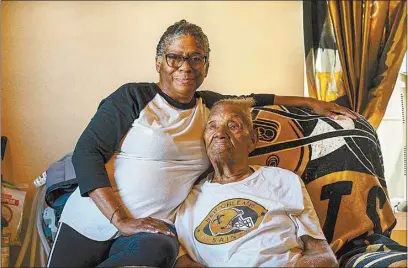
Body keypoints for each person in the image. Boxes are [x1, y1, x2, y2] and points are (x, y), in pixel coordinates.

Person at [47, 19, 354, 267]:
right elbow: (86, 154)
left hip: (153, 230)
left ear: (207, 65)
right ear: (158, 62)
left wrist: (310, 102)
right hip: (93, 217)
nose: (186, 66)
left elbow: (254, 99)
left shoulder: (210, 108)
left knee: (158, 252)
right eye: (174, 57)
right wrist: (122, 219)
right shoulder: (133, 97)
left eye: (196, 58)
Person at [175, 98, 338, 267]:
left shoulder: (282, 181)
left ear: (252, 140)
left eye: (233, 126)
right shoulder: (188, 203)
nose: (220, 133)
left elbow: (322, 255)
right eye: (212, 126)